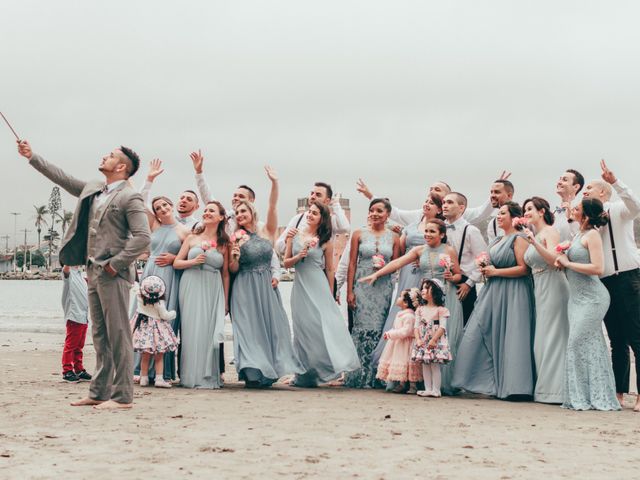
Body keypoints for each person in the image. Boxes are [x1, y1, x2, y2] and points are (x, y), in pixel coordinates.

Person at [18, 139, 150, 410]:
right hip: (91, 272)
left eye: (111, 155)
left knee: (118, 334)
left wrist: (116, 263)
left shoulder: (129, 196)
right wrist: (33, 157)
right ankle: (99, 392)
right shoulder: (94, 189)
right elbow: (63, 178)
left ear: (122, 166)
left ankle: (123, 396)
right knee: (100, 335)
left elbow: (143, 238)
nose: (105, 156)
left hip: (113, 274)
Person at [360, 219, 463, 395]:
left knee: (443, 336)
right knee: (423, 336)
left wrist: (451, 277)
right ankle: (422, 383)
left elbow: (459, 275)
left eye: (432, 231)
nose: (428, 234)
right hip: (425, 298)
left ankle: (442, 384)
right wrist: (377, 274)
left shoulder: (449, 250)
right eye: (427, 231)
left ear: (442, 234)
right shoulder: (419, 250)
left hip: (445, 297)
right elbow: (397, 263)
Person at [452, 202, 535, 400]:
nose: (499, 216)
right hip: (493, 290)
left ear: (515, 217)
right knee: (476, 333)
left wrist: (496, 271)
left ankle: (515, 386)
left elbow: (525, 269)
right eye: (498, 213)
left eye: (503, 213)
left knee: (512, 335)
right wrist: (484, 269)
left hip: (514, 291)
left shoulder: (520, 238)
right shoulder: (498, 239)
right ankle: (480, 380)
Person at [229, 167, 301, 388]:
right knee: (247, 329)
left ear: (252, 213)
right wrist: (234, 255)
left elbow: (272, 206)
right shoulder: (233, 237)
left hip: (265, 286)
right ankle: (252, 372)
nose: (240, 216)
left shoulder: (267, 231)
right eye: (238, 213)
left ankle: (268, 371)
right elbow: (232, 269)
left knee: (268, 328)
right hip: (243, 285)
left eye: (244, 212)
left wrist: (274, 183)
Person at [583, 160, 640, 411]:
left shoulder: (618, 210)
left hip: (628, 278)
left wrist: (616, 181)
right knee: (616, 340)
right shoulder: (587, 220)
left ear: (603, 193)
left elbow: (635, 205)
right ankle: (618, 392)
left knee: (636, 337)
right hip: (604, 282)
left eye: (588, 191)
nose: (584, 194)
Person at [284, 201, 360, 387]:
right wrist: (298, 254)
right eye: (309, 212)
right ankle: (303, 374)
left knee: (321, 327)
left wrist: (330, 293)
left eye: (315, 213)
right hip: (300, 286)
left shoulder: (326, 241)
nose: (310, 215)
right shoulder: (293, 236)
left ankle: (327, 368)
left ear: (322, 219)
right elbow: (286, 263)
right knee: (302, 329)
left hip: (318, 285)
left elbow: (330, 270)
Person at [554, 198, 620, 411]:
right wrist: (562, 261)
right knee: (592, 345)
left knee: (575, 343)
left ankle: (592, 395)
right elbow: (573, 264)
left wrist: (567, 263)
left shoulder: (592, 235)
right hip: (576, 298)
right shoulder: (578, 235)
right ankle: (587, 395)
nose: (573, 210)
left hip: (593, 297)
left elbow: (598, 268)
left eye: (577, 208)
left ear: (586, 214)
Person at [371, 194, 442, 365]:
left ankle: (419, 362)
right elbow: (400, 252)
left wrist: (425, 258)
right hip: (408, 271)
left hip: (426, 272)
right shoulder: (410, 227)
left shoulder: (441, 228)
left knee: (423, 312)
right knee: (403, 310)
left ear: (438, 209)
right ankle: (393, 361)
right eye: (425, 201)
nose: (426, 204)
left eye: (431, 203)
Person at [133, 187, 190, 384]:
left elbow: (189, 255)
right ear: (155, 212)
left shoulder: (184, 231)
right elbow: (139, 199)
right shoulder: (154, 225)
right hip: (150, 274)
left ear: (172, 206)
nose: (163, 209)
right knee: (144, 319)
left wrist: (174, 257)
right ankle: (139, 371)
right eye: (158, 207)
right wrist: (150, 178)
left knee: (163, 323)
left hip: (170, 276)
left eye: (165, 205)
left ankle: (161, 373)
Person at [344, 198, 400, 388]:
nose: (375, 214)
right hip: (362, 283)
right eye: (372, 210)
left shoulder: (394, 237)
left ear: (387, 215)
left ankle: (376, 375)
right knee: (360, 328)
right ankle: (358, 375)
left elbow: (396, 265)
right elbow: (352, 263)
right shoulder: (358, 233)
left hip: (383, 287)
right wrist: (349, 291)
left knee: (380, 327)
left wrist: (385, 267)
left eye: (379, 210)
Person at [174, 201, 230, 389]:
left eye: (211, 211)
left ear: (221, 217)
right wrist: (193, 261)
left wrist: (226, 301)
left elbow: (226, 273)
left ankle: (209, 375)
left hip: (213, 287)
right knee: (190, 329)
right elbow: (177, 263)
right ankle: (190, 376)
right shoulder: (192, 238)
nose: (206, 213)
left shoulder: (224, 242)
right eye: (205, 210)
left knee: (209, 331)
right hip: (191, 283)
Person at [522, 196, 569, 404]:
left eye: (530, 208)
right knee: (541, 337)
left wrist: (534, 242)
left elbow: (555, 261)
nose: (526, 213)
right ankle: (545, 388)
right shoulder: (534, 234)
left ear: (542, 211)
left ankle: (556, 391)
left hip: (554, 285)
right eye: (524, 210)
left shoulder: (550, 232)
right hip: (538, 288)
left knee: (553, 336)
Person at [354, 175, 510, 227]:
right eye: (430, 189)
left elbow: (480, 213)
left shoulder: (459, 215)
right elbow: (396, 214)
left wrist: (496, 195)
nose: (432, 192)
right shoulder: (420, 215)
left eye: (437, 189)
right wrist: (371, 196)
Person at [441, 192, 487, 325]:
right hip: (440, 283)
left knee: (463, 325)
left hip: (463, 285)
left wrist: (469, 284)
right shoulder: (439, 229)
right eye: (444, 202)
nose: (445, 205)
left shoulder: (471, 230)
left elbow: (483, 259)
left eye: (450, 202)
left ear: (461, 208)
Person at [276, 182, 350, 256]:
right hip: (298, 266)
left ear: (327, 201)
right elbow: (279, 249)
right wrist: (286, 240)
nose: (313, 197)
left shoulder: (331, 220)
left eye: (318, 195)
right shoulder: (298, 219)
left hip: (321, 267)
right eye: (312, 193)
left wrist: (336, 204)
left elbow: (345, 228)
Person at [131, 276, 178, 389]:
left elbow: (136, 287)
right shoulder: (159, 303)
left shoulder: (139, 297)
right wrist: (173, 313)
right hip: (157, 333)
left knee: (145, 357)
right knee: (159, 356)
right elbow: (165, 316)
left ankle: (144, 378)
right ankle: (159, 379)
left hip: (143, 330)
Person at [411, 279, 452, 398]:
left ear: (435, 291)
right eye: (422, 288)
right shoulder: (420, 309)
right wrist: (418, 339)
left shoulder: (441, 310)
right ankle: (428, 388)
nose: (422, 290)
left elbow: (442, 327)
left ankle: (436, 389)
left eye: (426, 288)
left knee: (434, 365)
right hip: (423, 341)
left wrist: (434, 340)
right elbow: (416, 327)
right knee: (425, 364)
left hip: (435, 342)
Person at [376, 288, 422, 394]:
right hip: (399, 344)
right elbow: (396, 328)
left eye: (400, 296)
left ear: (405, 303)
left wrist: (392, 334)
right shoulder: (401, 314)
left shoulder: (409, 316)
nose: (398, 298)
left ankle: (413, 385)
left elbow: (405, 331)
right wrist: (389, 333)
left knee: (408, 364)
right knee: (401, 363)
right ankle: (402, 384)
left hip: (406, 345)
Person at [141, 158, 201, 229]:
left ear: (196, 207)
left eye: (189, 199)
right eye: (182, 198)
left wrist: (199, 172)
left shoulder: (199, 226)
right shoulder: (164, 221)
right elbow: (142, 204)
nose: (184, 200)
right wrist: (149, 179)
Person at [61, 265, 91, 383]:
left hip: (83, 315)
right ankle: (67, 370)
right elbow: (65, 269)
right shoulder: (69, 274)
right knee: (71, 345)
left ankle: (79, 369)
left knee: (79, 345)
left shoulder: (80, 275)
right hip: (74, 315)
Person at [554, 169, 584, 242]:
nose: (559, 182)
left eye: (564, 180)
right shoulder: (554, 212)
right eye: (560, 179)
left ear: (576, 187)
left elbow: (582, 235)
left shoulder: (582, 209)